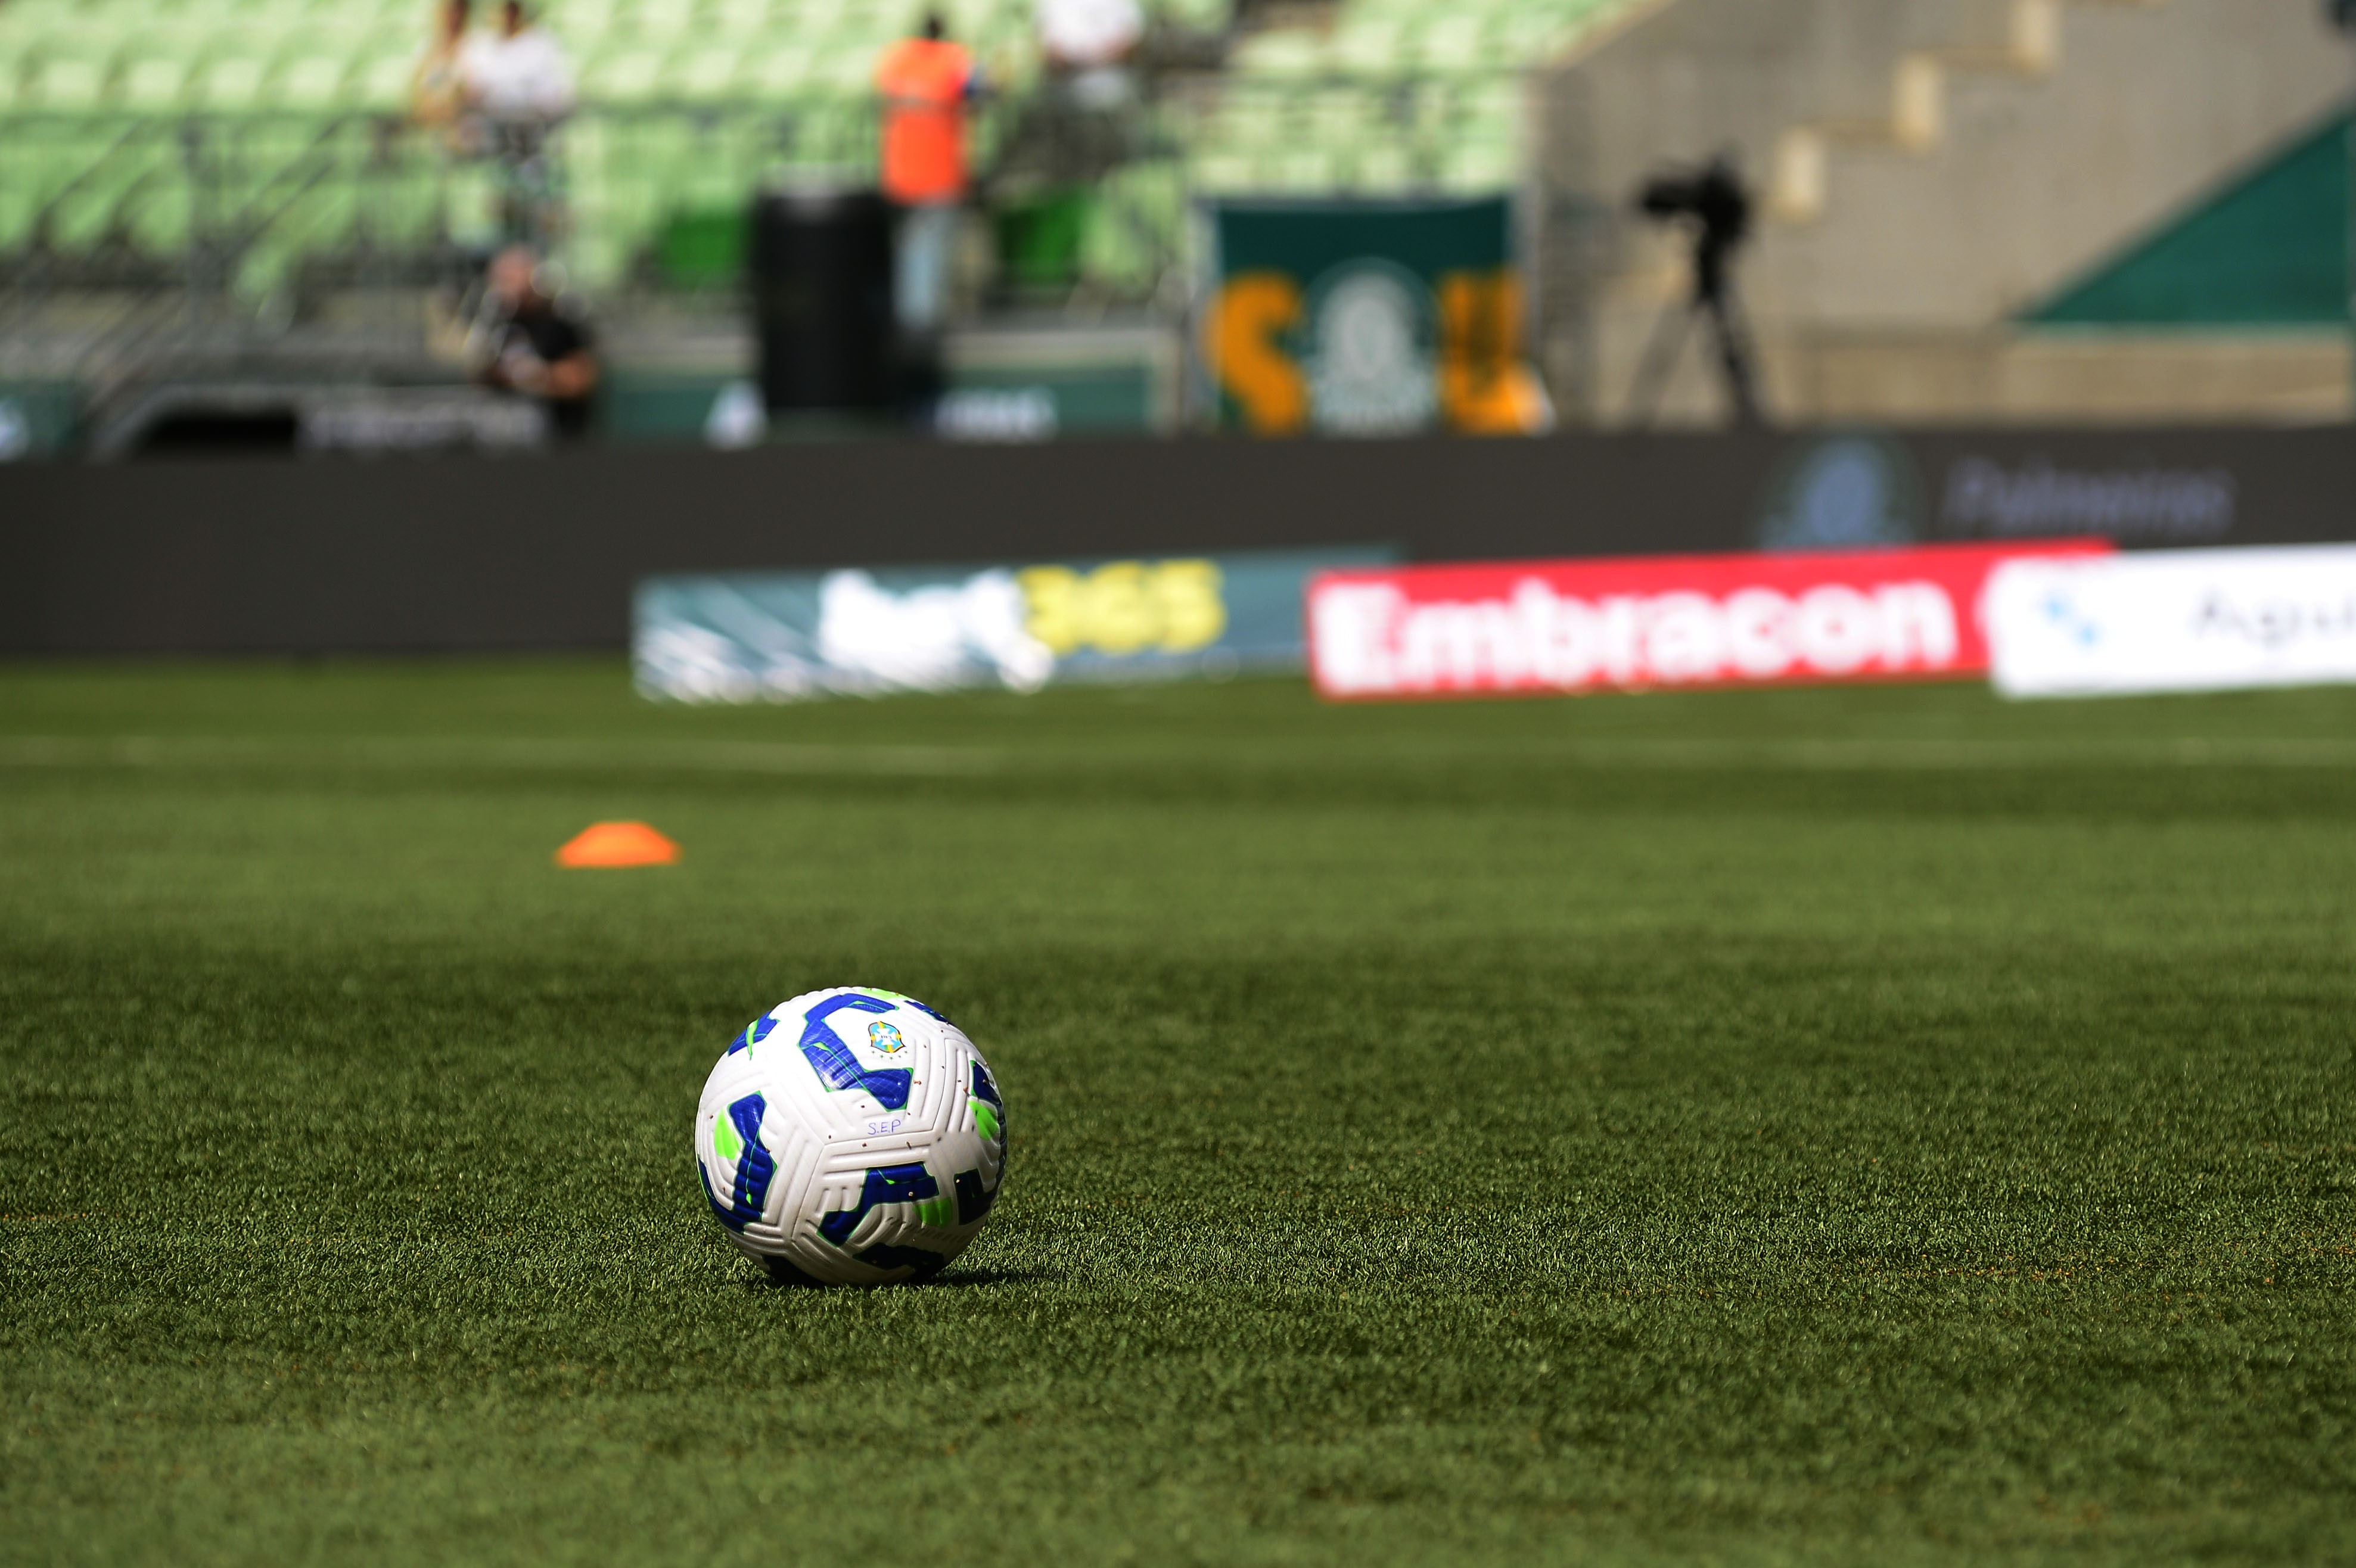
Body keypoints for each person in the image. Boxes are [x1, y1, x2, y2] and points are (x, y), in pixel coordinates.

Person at [874, 14, 981, 337]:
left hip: (900, 174)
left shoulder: (898, 59)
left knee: (909, 248)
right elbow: (979, 90)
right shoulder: (954, 60)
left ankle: (910, 321)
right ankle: (921, 329)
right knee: (929, 250)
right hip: (939, 173)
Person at [473, 245, 598, 440]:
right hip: (508, 439)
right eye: (501, 279)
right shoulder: (497, 323)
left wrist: (534, 374)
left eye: (512, 277)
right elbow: (479, 372)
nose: (506, 286)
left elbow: (582, 379)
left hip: (560, 439)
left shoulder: (561, 320)